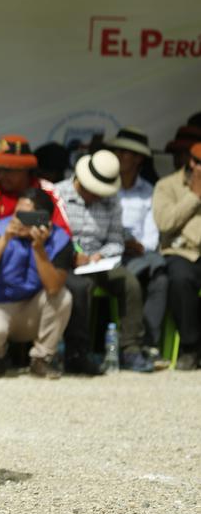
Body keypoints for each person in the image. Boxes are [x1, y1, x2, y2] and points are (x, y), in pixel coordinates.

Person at [56, 150, 154, 373]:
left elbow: (117, 240)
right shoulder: (58, 194)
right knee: (81, 288)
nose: (100, 196)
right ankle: (77, 351)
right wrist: (71, 255)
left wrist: (100, 255)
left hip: (99, 261)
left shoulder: (112, 200)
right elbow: (52, 235)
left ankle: (131, 349)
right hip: (66, 262)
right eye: (95, 191)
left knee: (129, 283)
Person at [0, 188, 73, 378]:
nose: (19, 219)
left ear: (43, 218)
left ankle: (41, 359)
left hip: (31, 310)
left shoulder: (60, 240)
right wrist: (6, 238)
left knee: (63, 296)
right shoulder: (1, 228)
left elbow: (53, 287)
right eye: (17, 213)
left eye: (26, 215)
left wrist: (39, 249)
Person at [105, 127, 168, 355]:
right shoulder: (103, 186)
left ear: (139, 158)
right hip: (108, 252)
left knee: (160, 277)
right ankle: (130, 343)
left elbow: (152, 235)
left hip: (139, 254)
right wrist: (123, 243)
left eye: (126, 153)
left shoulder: (149, 191)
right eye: (118, 151)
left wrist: (139, 247)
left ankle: (149, 343)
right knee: (134, 276)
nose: (120, 156)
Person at [0, 135, 70, 262]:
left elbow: (63, 238)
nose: (1, 175)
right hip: (0, 267)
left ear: (26, 170)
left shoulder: (47, 191)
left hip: (42, 262)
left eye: (8, 170)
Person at [154, 142, 201, 370]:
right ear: (192, 163)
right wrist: (194, 195)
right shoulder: (167, 186)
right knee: (181, 279)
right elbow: (165, 223)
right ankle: (190, 348)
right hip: (180, 251)